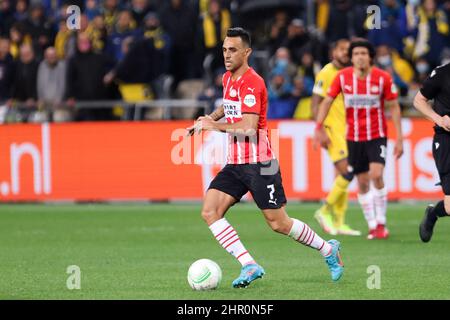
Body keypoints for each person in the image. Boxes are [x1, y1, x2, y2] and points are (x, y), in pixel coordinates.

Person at [187, 27, 344, 288]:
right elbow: (228, 104)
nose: (226, 55)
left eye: (233, 50)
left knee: (279, 223)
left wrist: (214, 128)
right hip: (236, 164)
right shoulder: (228, 78)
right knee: (210, 211)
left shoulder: (253, 81)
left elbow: (249, 128)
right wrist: (210, 118)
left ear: (247, 52)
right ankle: (249, 264)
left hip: (260, 163)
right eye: (224, 49)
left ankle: (328, 250)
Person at [314, 39, 404, 240]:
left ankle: (381, 222)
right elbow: (326, 101)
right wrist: (318, 128)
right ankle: (373, 226)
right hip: (353, 137)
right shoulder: (342, 77)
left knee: (376, 174)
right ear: (352, 58)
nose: (360, 57)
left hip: (376, 135)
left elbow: (394, 106)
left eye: (364, 53)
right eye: (356, 54)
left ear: (370, 57)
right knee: (362, 182)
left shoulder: (383, 78)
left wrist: (400, 138)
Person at [311, 39, 361, 236]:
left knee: (344, 174)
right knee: (348, 171)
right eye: (341, 50)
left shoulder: (349, 73)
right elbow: (315, 103)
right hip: (331, 129)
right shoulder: (326, 72)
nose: (345, 54)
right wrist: (320, 129)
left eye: (347, 51)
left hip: (346, 129)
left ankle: (339, 222)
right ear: (334, 51)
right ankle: (323, 211)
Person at [414, 62, 450, 242]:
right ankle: (433, 214)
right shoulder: (443, 73)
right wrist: (439, 119)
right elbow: (418, 100)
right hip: (446, 141)